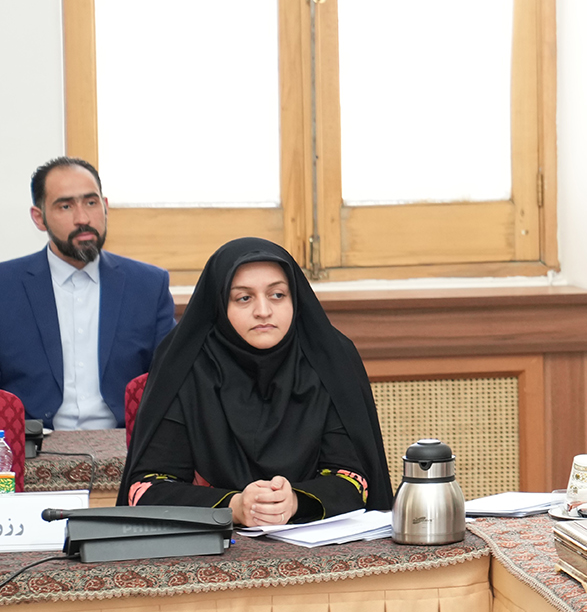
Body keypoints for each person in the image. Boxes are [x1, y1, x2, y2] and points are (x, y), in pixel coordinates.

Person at [118, 238, 391, 526]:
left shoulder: (330, 360)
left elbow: (355, 478)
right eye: (244, 298)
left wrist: (294, 501)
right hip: (211, 546)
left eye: (277, 295)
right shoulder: (185, 366)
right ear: (219, 304)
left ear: (295, 298)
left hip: (316, 541)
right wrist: (234, 507)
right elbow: (146, 489)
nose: (263, 310)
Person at [0, 157, 175, 429]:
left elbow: (172, 379)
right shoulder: (6, 286)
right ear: (39, 218)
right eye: (65, 206)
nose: (82, 218)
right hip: (30, 444)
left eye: (91, 203)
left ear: (105, 207)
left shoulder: (148, 285)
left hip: (125, 443)